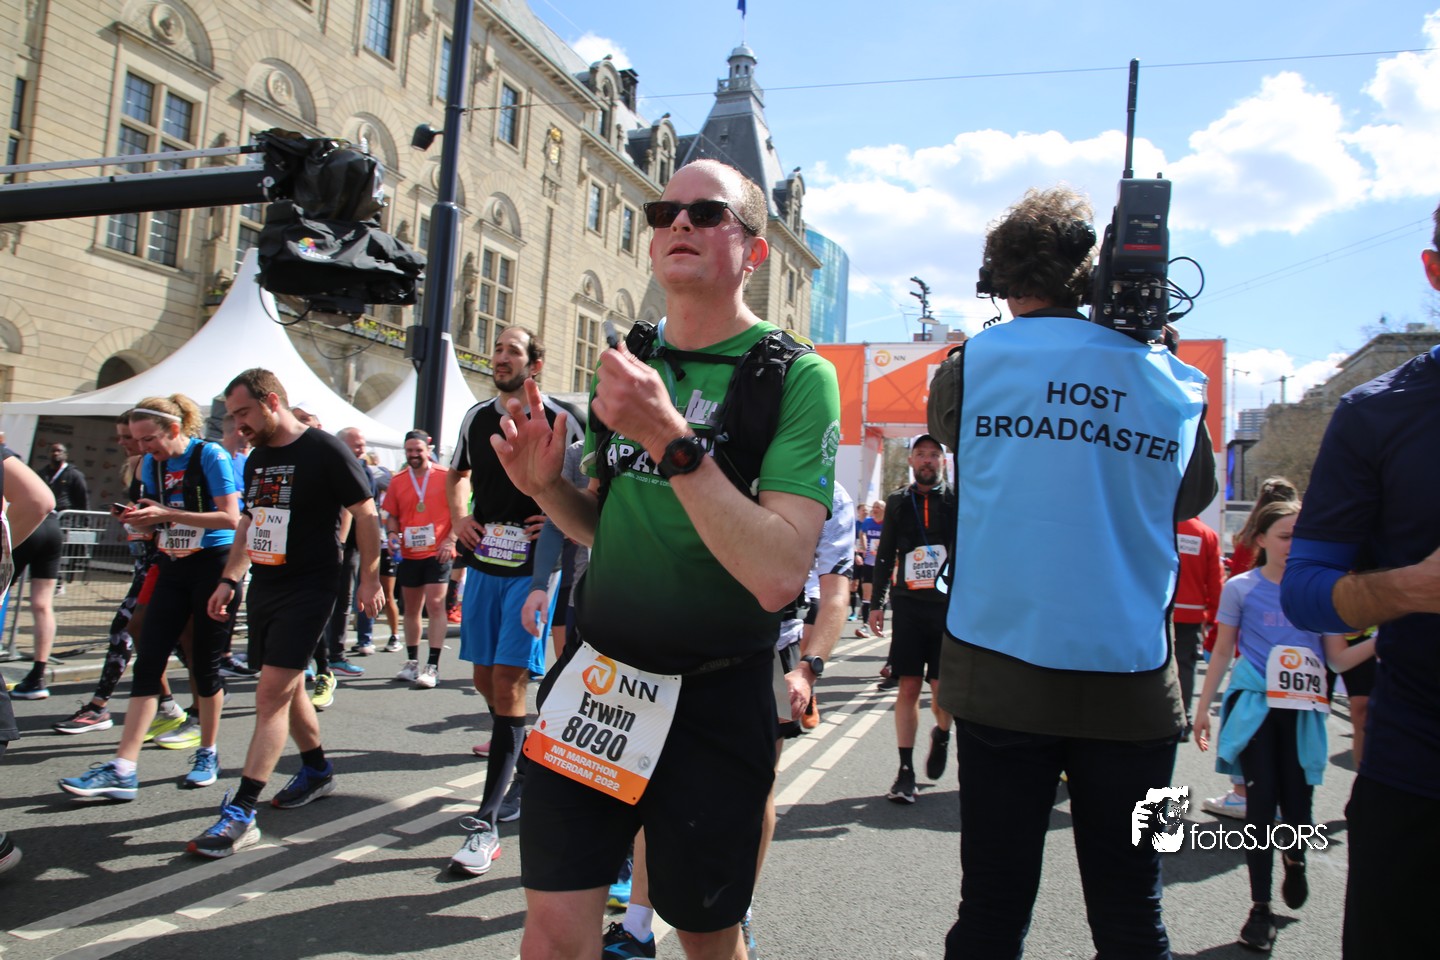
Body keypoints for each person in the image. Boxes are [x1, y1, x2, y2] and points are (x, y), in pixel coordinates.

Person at [492, 157, 840, 960]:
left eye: (706, 213)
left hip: (714, 699)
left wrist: (668, 437)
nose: (678, 222)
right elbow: (602, 525)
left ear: (753, 251)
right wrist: (547, 490)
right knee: (551, 931)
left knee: (706, 939)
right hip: (598, 683)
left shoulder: (795, 376)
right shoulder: (631, 360)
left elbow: (779, 574)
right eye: (664, 212)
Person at [927, 185, 1215, 959]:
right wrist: (1147, 358)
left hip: (998, 674)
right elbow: (1192, 495)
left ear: (998, 275)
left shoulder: (971, 365)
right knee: (1133, 915)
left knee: (990, 912)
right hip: (1135, 687)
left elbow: (948, 430)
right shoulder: (1163, 371)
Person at [1280, 202, 1440, 959]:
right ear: (1434, 270)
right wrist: (1411, 588)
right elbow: (1305, 589)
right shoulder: (1378, 413)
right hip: (1418, 780)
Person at [189, 368, 382, 858]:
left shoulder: (325, 449)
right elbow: (250, 521)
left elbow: (366, 513)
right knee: (287, 683)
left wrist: (370, 578)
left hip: (312, 586)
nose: (238, 425)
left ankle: (242, 813)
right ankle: (316, 769)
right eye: (233, 416)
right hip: (267, 583)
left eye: (244, 413)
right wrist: (230, 578)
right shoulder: (257, 458)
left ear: (271, 401)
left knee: (270, 693)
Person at [1194, 499, 1372, 951]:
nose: (1294, 544)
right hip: (1255, 708)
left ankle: (1295, 859)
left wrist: (1385, 639)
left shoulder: (1321, 591)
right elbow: (1222, 650)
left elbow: (1337, 659)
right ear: (1261, 540)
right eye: (1285, 536)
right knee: (1261, 803)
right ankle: (1259, 909)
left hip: (1303, 713)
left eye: (1301, 536)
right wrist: (1202, 708)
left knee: (1297, 806)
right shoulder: (1241, 588)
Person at [445, 325, 581, 875]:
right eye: (498, 349)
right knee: (487, 682)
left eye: (513, 351)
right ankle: (524, 762)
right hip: (485, 563)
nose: (501, 357)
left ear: (535, 365)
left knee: (508, 682)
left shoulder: (561, 418)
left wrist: (558, 514)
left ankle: (486, 824)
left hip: (534, 569)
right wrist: (458, 517)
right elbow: (456, 474)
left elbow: (585, 484)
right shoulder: (476, 417)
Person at [59, 395, 239, 800]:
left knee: (205, 666)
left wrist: (165, 515)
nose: (141, 448)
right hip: (171, 562)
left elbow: (230, 517)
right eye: (136, 440)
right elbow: (158, 519)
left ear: (174, 429)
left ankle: (208, 752)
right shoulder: (152, 465)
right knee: (148, 660)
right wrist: (140, 521)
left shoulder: (209, 455)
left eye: (148, 439)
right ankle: (123, 767)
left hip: (213, 564)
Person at [1203, 476, 1299, 819]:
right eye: (1285, 537)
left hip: (1281, 680)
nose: (1292, 543)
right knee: (1256, 739)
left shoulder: (1309, 583)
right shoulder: (1248, 574)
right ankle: (1253, 796)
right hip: (1258, 674)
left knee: (1257, 740)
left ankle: (1247, 794)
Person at [867, 435, 955, 803]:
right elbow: (886, 552)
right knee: (908, 685)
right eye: (921, 454)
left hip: (947, 607)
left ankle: (942, 733)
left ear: (942, 462)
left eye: (934, 455)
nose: (927, 460)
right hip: (908, 604)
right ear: (911, 461)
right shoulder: (899, 501)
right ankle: (905, 771)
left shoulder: (955, 500)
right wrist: (876, 604)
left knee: (941, 689)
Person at [1, 444, 57, 875]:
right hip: (43, 528)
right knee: (40, 605)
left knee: (41, 604)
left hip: (44, 531)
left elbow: (38, 499)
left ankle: (39, 671)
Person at [384, 430, 454, 689]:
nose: (413, 455)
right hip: (409, 552)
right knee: (411, 608)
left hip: (439, 551)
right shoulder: (398, 480)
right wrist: (392, 534)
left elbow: (461, 512)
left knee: (435, 605)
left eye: (418, 450)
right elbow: (392, 515)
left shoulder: (446, 476)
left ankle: (432, 665)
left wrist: (451, 540)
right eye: (409, 451)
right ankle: (412, 662)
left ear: (428, 449)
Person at [1173, 515, 1222, 740]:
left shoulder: (1162, 525)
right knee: (1185, 665)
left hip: (1159, 612)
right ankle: (1183, 718)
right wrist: (1214, 618)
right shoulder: (1206, 534)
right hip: (1190, 614)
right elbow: (1215, 580)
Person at [855, 500, 883, 638]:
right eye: (874, 507)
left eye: (878, 507)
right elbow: (862, 534)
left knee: (880, 594)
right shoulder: (867, 522)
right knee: (866, 593)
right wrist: (865, 547)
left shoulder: (888, 523)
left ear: (884, 510)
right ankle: (865, 626)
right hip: (869, 562)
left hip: (883, 564)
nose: (875, 509)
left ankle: (878, 624)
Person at [40, 443, 88, 512]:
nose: (56, 453)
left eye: (59, 451)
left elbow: (83, 499)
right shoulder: (42, 473)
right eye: (53, 451)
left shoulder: (75, 474)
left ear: (66, 455)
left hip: (64, 516)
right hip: (45, 513)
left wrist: (86, 518)